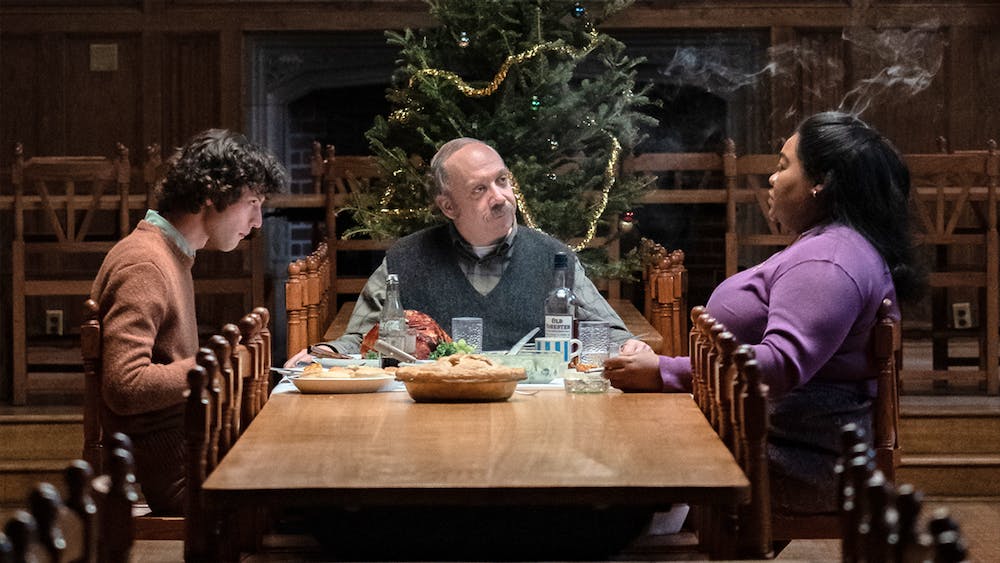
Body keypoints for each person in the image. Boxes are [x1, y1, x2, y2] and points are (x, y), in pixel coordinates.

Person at [604, 111, 923, 514]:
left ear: (820, 182)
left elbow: (778, 365)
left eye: (783, 166)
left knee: (605, 454)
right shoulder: (830, 246)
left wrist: (664, 371)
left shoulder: (828, 260)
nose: (773, 178)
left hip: (790, 459)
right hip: (769, 437)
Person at [287, 137, 631, 365]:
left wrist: (629, 348)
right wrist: (324, 354)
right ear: (449, 206)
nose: (500, 197)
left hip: (533, 412)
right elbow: (361, 338)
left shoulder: (553, 257)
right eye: (480, 189)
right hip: (433, 416)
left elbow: (609, 332)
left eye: (502, 180)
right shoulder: (406, 259)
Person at [91, 129, 286, 514]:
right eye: (252, 202)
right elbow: (124, 384)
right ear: (213, 195)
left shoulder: (170, 255)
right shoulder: (145, 263)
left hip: (195, 452)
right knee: (325, 493)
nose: (258, 221)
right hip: (180, 478)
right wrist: (219, 365)